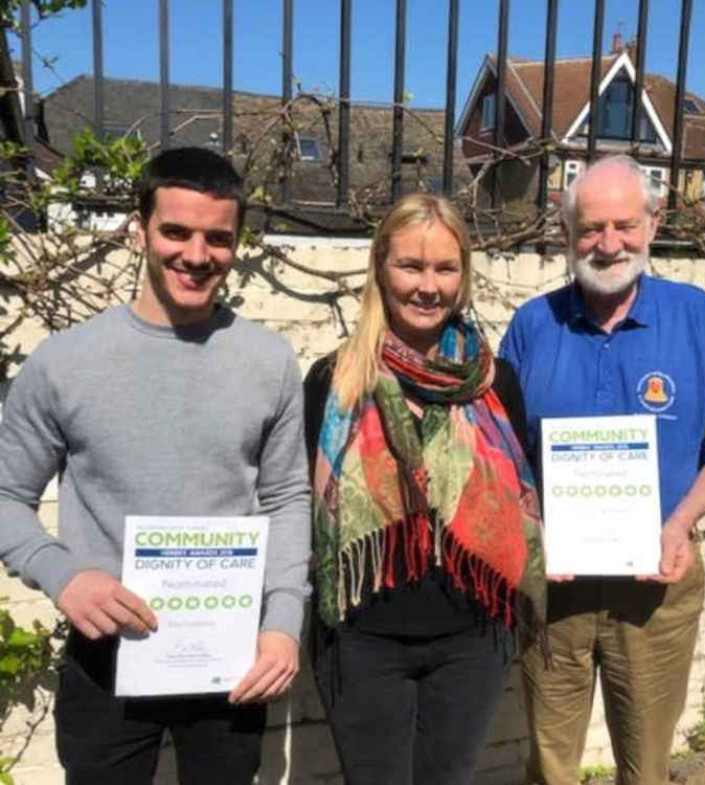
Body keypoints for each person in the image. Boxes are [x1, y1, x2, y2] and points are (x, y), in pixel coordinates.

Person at [0, 146, 311, 785]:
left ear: (237, 243)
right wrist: (63, 577)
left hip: (228, 653)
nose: (197, 255)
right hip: (104, 650)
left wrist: (282, 624)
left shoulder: (267, 362)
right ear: (138, 229)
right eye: (176, 231)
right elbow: (5, 495)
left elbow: (286, 500)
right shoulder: (64, 363)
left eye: (217, 238)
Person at [499, 154, 705, 785]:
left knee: (646, 766)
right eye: (590, 228)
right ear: (565, 232)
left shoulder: (694, 317)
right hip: (554, 590)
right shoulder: (533, 326)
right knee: (551, 766)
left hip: (656, 589)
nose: (607, 244)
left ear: (653, 223)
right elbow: (501, 458)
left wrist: (681, 522)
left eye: (623, 225)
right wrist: (532, 531)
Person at [304, 193, 546, 785]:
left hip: (473, 638)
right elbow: (302, 510)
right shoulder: (334, 381)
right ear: (380, 269)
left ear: (463, 275)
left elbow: (523, 502)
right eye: (410, 266)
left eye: (445, 267)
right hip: (362, 641)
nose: (427, 286)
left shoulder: (495, 382)